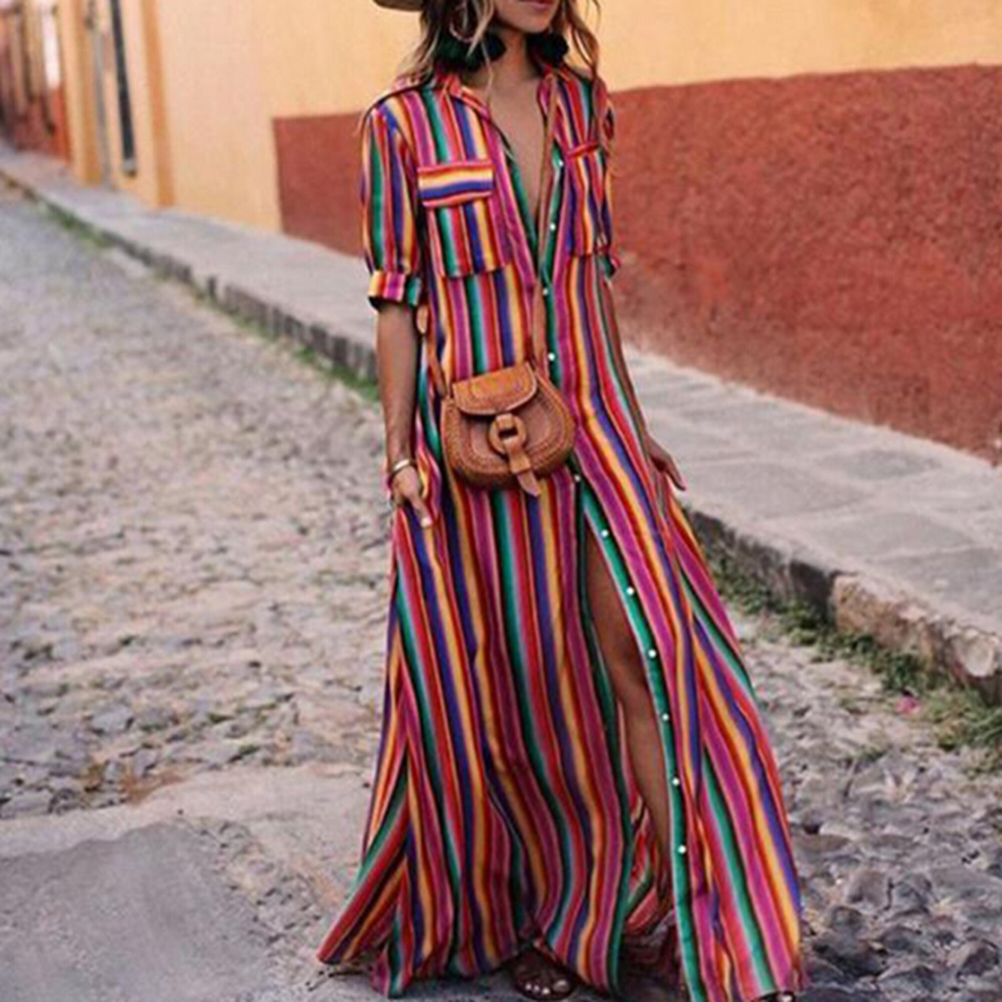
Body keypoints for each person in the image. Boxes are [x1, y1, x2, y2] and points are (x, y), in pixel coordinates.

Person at [316, 2, 809, 1000]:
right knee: (530, 695)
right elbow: (398, 304)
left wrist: (635, 421)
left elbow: (592, 286)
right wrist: (400, 455)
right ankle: (561, 915)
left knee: (656, 655)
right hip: (482, 452)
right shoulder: (402, 126)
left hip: (600, 430)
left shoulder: (583, 106)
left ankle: (708, 927)